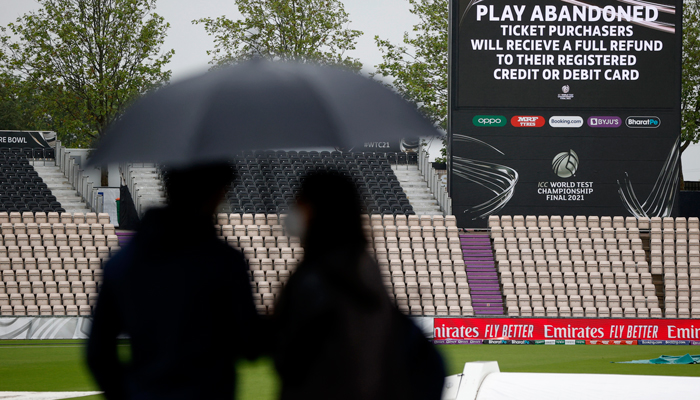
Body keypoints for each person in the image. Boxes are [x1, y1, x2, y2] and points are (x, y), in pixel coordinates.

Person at [87, 163, 261, 400]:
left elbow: (98, 353)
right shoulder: (224, 261)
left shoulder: (121, 262)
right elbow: (249, 345)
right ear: (215, 194)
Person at [273, 169, 444, 400]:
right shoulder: (362, 267)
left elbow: (291, 359)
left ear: (316, 210)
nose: (293, 211)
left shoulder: (317, 277)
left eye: (299, 202)